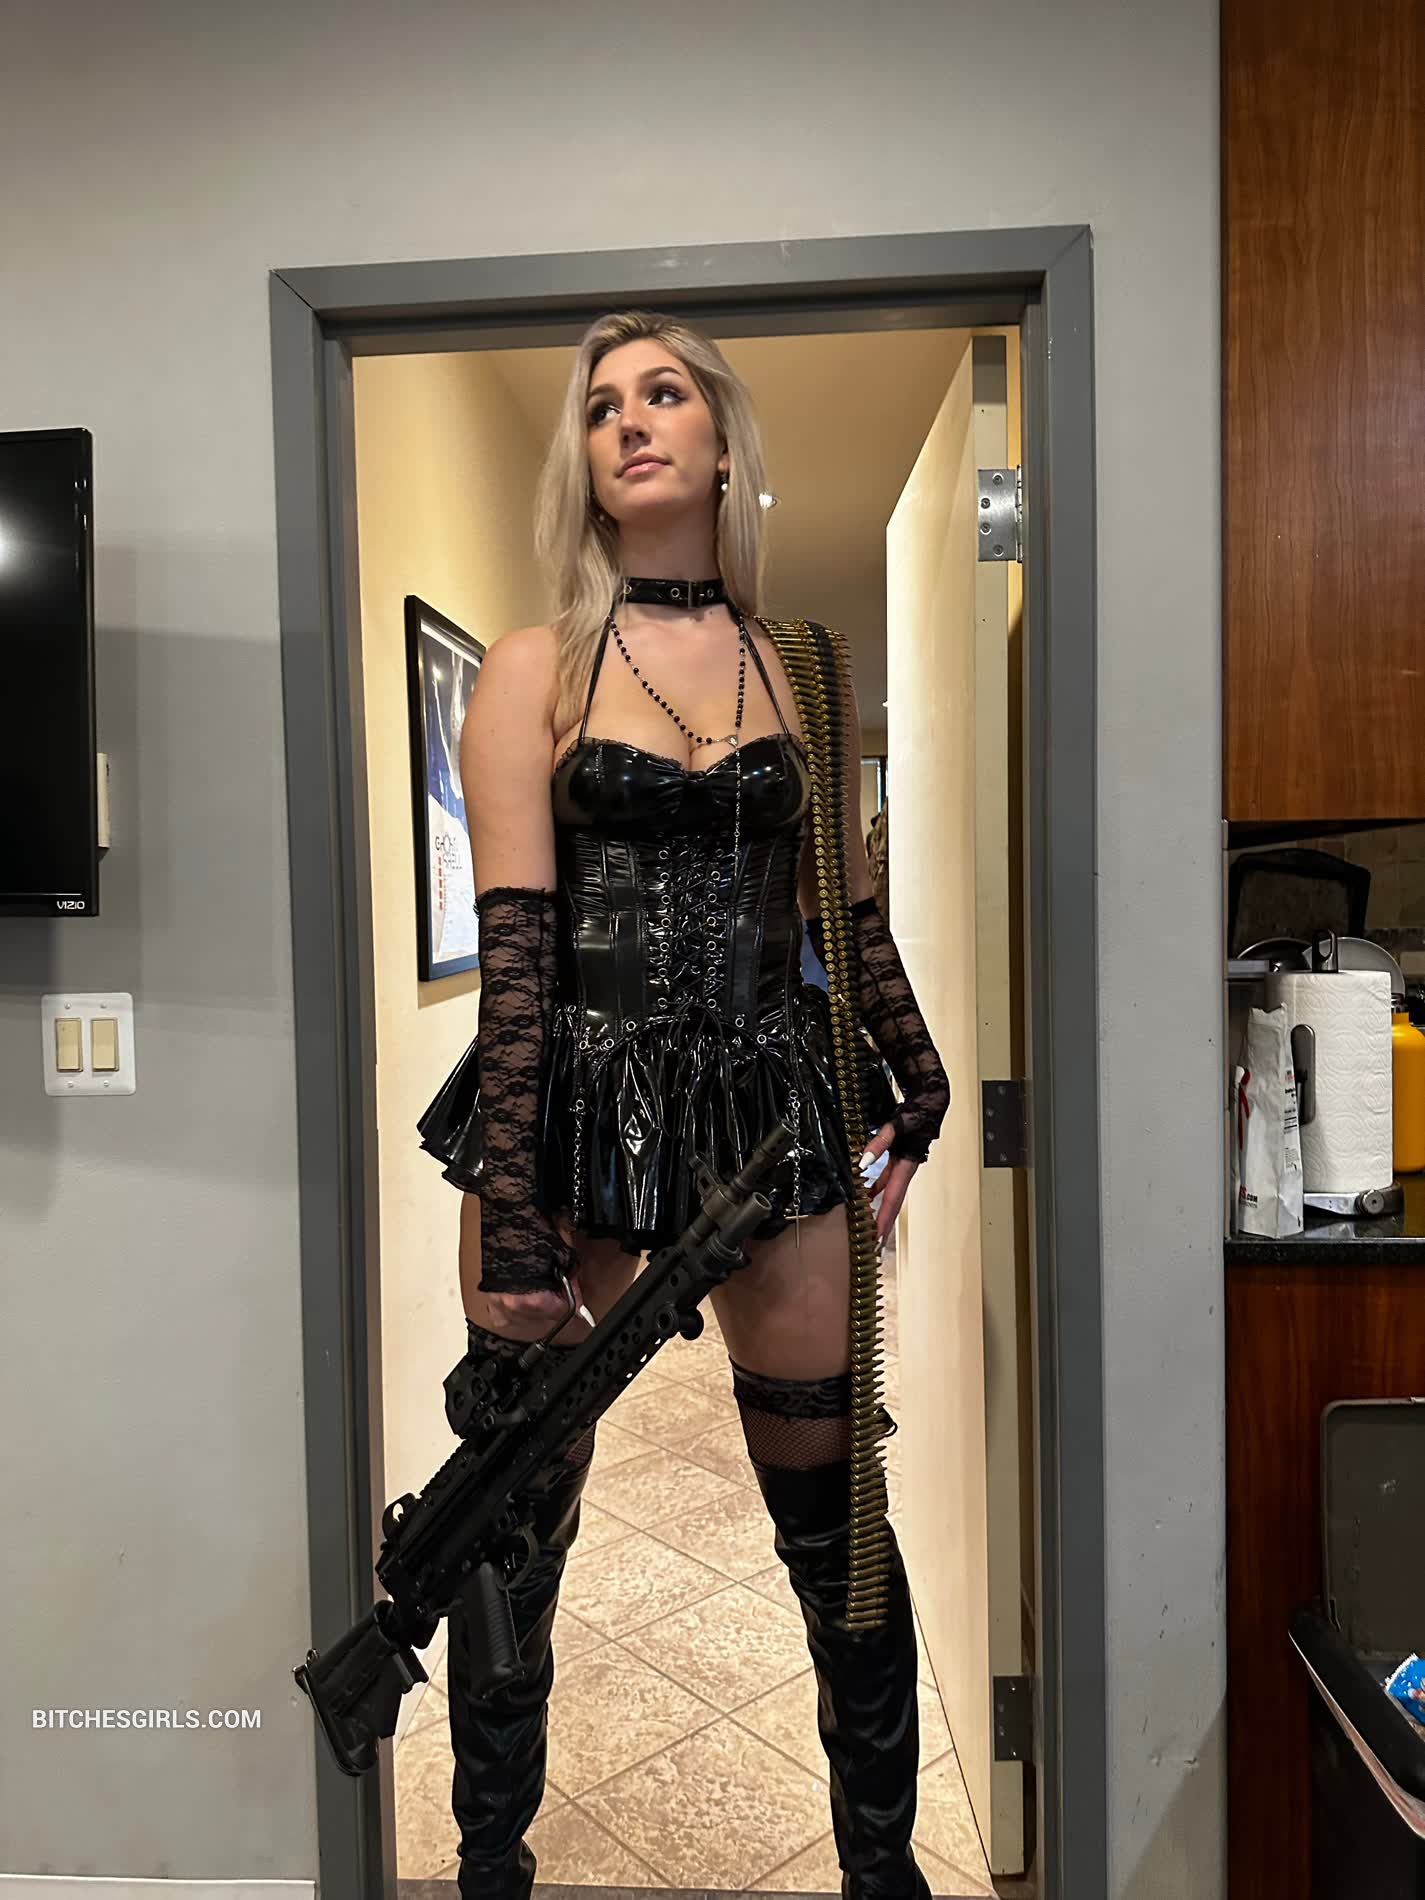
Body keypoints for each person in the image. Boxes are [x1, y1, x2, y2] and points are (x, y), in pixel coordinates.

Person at [418, 309, 950, 1900]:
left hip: (774, 1112)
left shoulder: (810, 668)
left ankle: (881, 1874)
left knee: (836, 1526)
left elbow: (847, 919)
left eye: (664, 395)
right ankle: (492, 1867)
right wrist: (516, 1213)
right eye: (601, 407)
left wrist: (916, 1083)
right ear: (583, 464)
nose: (631, 422)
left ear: (721, 444)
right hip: (569, 1109)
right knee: (514, 1529)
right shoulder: (536, 668)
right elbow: (519, 957)